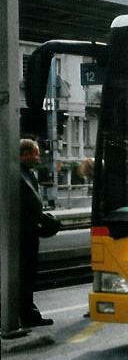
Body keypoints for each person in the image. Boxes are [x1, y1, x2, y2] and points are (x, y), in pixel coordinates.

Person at [19, 139, 59, 327]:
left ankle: (27, 313)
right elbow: (27, 204)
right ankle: (27, 315)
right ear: (24, 154)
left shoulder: (27, 174)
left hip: (29, 232)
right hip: (22, 234)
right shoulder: (17, 174)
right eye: (35, 153)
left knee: (27, 275)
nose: (38, 157)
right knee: (24, 275)